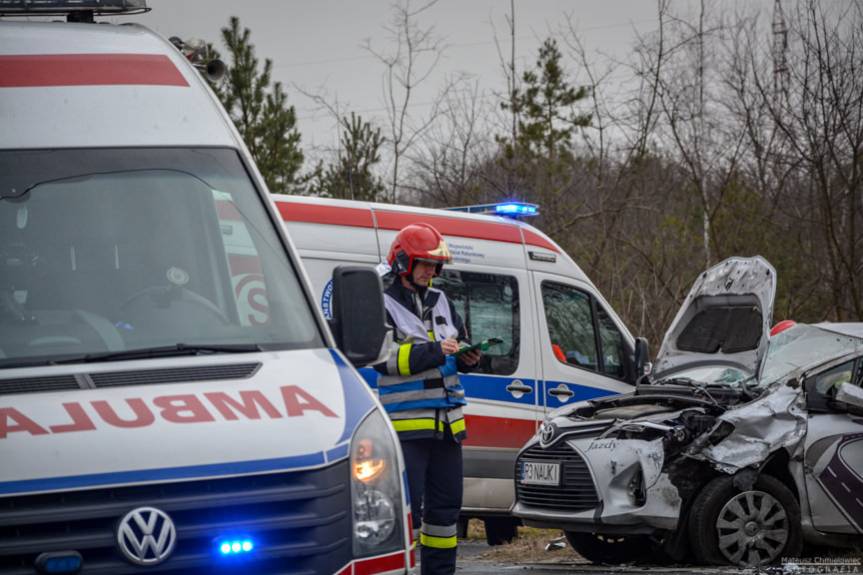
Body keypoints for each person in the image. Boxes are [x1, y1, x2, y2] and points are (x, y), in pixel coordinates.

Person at [374, 222, 480, 575]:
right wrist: (436, 350)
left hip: (448, 427)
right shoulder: (382, 301)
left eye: (435, 265)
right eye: (423, 264)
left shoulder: (442, 300)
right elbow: (386, 359)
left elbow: (458, 341)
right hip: (407, 428)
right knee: (405, 513)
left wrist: (469, 357)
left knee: (445, 516)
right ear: (402, 261)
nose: (431, 271)